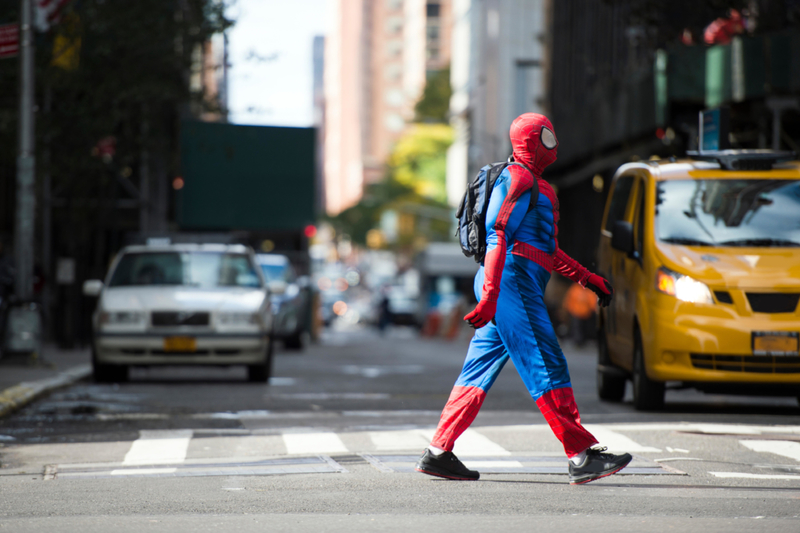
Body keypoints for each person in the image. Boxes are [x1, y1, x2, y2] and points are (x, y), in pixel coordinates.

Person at [415, 113, 631, 485]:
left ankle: (438, 452)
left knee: (477, 372)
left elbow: (547, 250)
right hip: (511, 284)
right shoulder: (518, 179)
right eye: (546, 135)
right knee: (546, 363)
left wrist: (588, 278)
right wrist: (490, 295)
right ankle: (580, 455)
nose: (553, 142)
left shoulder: (536, 185)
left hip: (509, 284)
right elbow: (498, 235)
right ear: (531, 140)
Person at [563, 281, 597, 347]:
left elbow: (592, 300)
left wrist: (594, 309)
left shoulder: (588, 290)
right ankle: (578, 341)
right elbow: (569, 299)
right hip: (576, 313)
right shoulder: (575, 289)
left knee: (585, 327)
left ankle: (585, 339)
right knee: (577, 327)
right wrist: (569, 309)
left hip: (586, 313)